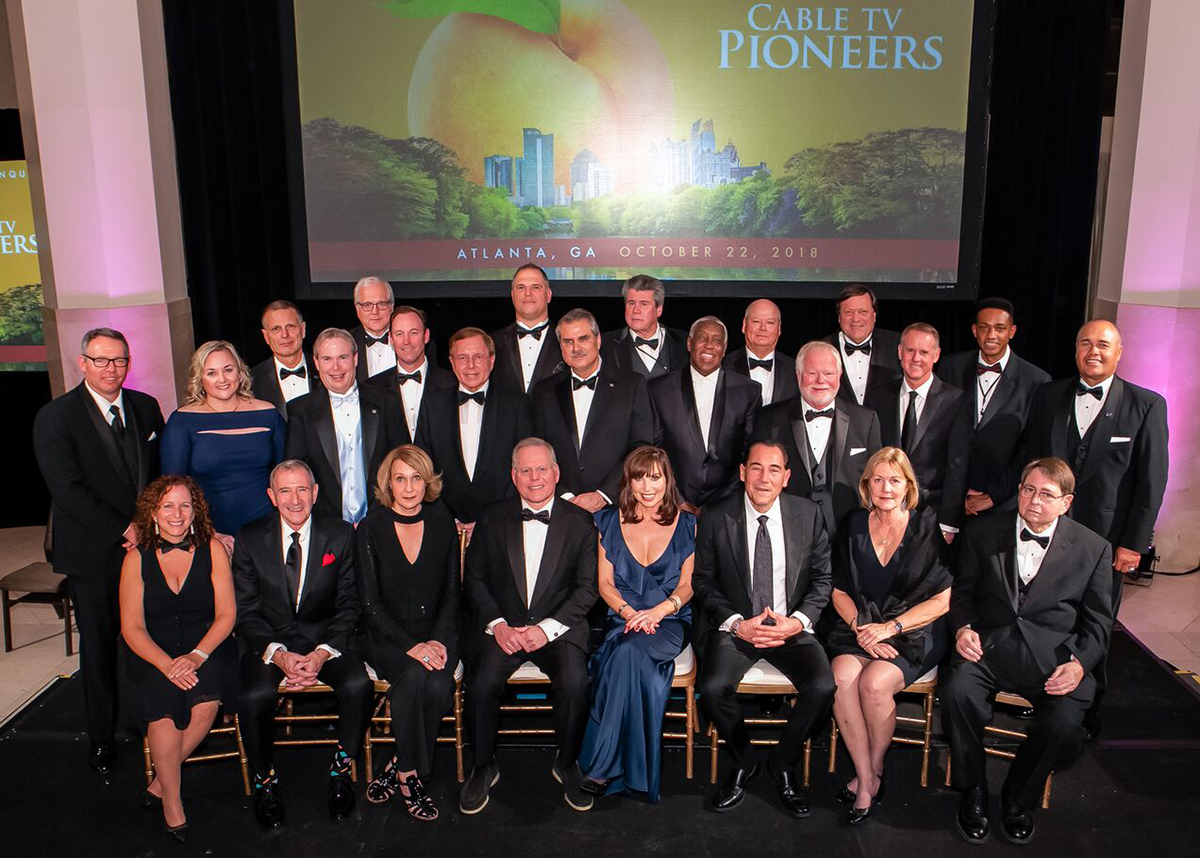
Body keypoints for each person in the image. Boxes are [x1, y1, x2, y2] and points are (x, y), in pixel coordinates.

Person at [943, 458, 1114, 846]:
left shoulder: (1093, 548)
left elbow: (1099, 622)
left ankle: (1018, 796)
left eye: (1047, 494)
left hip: (1052, 658)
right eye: (1028, 490)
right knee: (956, 694)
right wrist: (964, 628)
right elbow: (962, 593)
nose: (1035, 501)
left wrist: (1078, 664)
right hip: (987, 648)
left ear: (1066, 502)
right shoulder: (983, 531)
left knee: (1066, 724)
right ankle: (972, 790)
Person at [1020, 319, 1168, 736]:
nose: (1094, 351)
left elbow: (1151, 481)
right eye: (1085, 343)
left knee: (1095, 619)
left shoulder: (1147, 405)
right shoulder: (1048, 395)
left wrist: (1134, 544)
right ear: (1075, 349)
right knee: (1041, 611)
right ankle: (1039, 689)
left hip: (1106, 542)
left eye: (1103, 344)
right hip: (1046, 531)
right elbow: (1033, 461)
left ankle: (1089, 702)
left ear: (1119, 352)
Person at [32, 327, 164, 775]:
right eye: (102, 360)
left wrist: (151, 528)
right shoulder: (56, 417)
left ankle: (141, 719)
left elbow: (157, 476)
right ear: (82, 362)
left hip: (146, 548)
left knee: (145, 637)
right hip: (92, 553)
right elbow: (67, 491)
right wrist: (124, 529)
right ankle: (102, 736)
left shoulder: (146, 408)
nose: (112, 369)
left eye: (120, 361)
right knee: (101, 643)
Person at [693, 441, 835, 816]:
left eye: (774, 469)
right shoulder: (715, 515)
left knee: (823, 686)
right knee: (710, 688)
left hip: (790, 627)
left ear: (786, 477)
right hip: (737, 627)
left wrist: (797, 622)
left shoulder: (808, 514)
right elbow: (703, 582)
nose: (763, 477)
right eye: (755, 468)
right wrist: (738, 624)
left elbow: (823, 581)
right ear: (742, 473)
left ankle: (783, 763)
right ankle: (744, 759)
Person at [460, 438, 598, 814]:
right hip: (503, 628)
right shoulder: (491, 516)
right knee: (481, 681)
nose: (534, 477)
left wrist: (547, 629)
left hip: (558, 629)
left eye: (541, 469)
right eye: (525, 470)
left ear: (556, 473)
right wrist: (498, 625)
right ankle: (482, 764)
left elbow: (587, 590)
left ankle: (567, 762)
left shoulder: (580, 520)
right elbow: (473, 580)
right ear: (513, 476)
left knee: (575, 681)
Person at [232, 459, 373, 828]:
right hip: (270, 642)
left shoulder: (340, 534)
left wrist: (321, 652)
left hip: (325, 641)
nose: (294, 499)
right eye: (284, 491)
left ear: (315, 493)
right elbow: (246, 611)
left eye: (301, 490)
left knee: (359, 684)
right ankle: (265, 778)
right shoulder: (249, 537)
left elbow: (350, 604)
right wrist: (277, 654)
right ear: (271, 497)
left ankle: (341, 769)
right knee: (254, 696)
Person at [825, 448, 951, 824]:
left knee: (875, 684)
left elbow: (943, 600)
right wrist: (860, 630)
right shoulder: (853, 524)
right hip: (859, 626)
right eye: (877, 479)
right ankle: (868, 778)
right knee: (841, 678)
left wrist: (891, 628)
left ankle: (871, 770)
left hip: (912, 630)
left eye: (894, 480)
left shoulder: (926, 527)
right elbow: (837, 590)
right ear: (866, 485)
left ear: (907, 486)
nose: (885, 487)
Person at [118, 475, 238, 842]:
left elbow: (227, 615)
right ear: (153, 513)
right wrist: (166, 664)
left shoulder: (212, 549)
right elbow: (132, 628)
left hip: (206, 644)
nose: (177, 513)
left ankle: (159, 782)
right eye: (168, 505)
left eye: (185, 505)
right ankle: (173, 802)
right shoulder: (134, 560)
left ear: (195, 511)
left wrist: (197, 656)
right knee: (163, 710)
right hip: (151, 651)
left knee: (205, 703)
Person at [578, 446, 694, 803]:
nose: (647, 486)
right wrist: (630, 614)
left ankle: (601, 767)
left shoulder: (688, 522)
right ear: (627, 481)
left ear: (667, 480)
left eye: (655, 477)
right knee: (628, 655)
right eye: (639, 476)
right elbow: (605, 585)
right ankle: (633, 772)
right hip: (623, 619)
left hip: (671, 621)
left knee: (624, 656)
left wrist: (657, 612)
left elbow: (688, 586)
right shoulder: (608, 521)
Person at [357, 446, 459, 821]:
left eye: (417, 477)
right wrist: (411, 646)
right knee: (416, 678)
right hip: (386, 636)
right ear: (388, 483)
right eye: (400, 478)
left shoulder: (442, 523)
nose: (409, 486)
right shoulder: (371, 528)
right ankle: (410, 777)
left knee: (437, 686)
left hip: (438, 634)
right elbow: (369, 604)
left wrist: (437, 640)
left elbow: (452, 593)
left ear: (427, 481)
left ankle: (400, 763)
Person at [750, 340, 881, 540]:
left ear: (839, 376)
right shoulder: (769, 419)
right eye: (812, 373)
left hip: (848, 537)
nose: (821, 381)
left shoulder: (866, 420)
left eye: (828, 374)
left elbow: (877, 479)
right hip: (786, 534)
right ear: (798, 375)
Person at [162, 340, 284, 551]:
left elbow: (285, 471)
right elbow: (173, 486)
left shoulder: (268, 414)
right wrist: (207, 532)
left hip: (267, 529)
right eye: (211, 373)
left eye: (228, 370)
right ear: (200, 378)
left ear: (240, 372)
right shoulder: (182, 420)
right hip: (209, 532)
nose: (222, 379)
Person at [531, 308, 654, 511]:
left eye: (583, 338)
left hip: (617, 507)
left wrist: (604, 495)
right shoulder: (544, 391)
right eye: (568, 341)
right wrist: (565, 495)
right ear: (560, 346)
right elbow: (537, 448)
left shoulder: (632, 385)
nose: (576, 347)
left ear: (598, 340)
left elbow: (641, 448)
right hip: (561, 507)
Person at [936, 298, 1050, 517]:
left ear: (1012, 331)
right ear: (974, 330)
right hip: (948, 499)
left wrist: (993, 496)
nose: (991, 336)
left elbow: (1031, 449)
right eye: (984, 328)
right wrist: (954, 492)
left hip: (1000, 504)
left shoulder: (1037, 381)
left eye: (1000, 328)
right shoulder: (951, 367)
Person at [285, 328, 406, 524]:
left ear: (355, 358)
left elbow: (402, 459)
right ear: (316, 363)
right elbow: (295, 473)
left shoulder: (387, 401)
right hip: (327, 527)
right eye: (327, 359)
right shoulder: (300, 410)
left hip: (381, 521)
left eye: (343, 357)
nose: (336, 367)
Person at [863, 323, 969, 539]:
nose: (916, 358)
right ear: (900, 351)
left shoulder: (956, 400)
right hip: (882, 513)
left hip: (931, 515)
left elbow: (957, 466)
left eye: (924, 352)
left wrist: (949, 521)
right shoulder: (877, 396)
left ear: (936, 355)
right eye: (910, 350)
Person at [424, 327, 532, 539]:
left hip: (502, 527)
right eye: (462, 357)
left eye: (478, 357)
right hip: (446, 529)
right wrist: (448, 519)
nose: (471, 365)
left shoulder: (517, 404)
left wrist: (490, 520)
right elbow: (425, 467)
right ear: (452, 363)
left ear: (491, 361)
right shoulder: (431, 405)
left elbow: (524, 467)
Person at [650, 316, 761, 512]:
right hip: (670, 504)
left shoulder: (748, 391)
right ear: (689, 343)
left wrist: (720, 502)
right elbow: (653, 449)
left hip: (727, 507)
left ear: (725, 348)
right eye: (702, 338)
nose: (709, 346)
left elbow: (749, 454)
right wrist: (675, 496)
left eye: (717, 341)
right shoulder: (659, 389)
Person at [364, 305, 455, 448]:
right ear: (391, 339)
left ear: (426, 336)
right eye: (399, 334)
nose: (406, 341)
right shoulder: (372, 387)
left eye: (413, 333)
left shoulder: (452, 383)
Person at [823, 284, 902, 406]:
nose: (856, 319)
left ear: (874, 316)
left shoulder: (897, 344)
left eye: (863, 312)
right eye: (849, 312)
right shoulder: (821, 350)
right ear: (839, 317)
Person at [491, 263, 563, 395]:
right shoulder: (492, 342)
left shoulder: (566, 340)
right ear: (512, 296)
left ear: (548, 295)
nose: (528, 293)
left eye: (535, 287)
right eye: (521, 287)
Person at [599, 274, 689, 380]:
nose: (636, 310)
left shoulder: (684, 342)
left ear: (659, 309)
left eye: (644, 304)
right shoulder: (605, 344)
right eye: (631, 303)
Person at [250, 299, 319, 420]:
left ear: (303, 329)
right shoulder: (251, 381)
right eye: (276, 329)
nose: (284, 335)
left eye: (290, 326)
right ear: (266, 336)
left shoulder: (327, 369)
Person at [723, 298, 799, 406]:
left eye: (770, 323)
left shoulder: (795, 369)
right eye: (756, 321)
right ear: (744, 325)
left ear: (779, 328)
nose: (763, 328)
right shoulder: (724, 365)